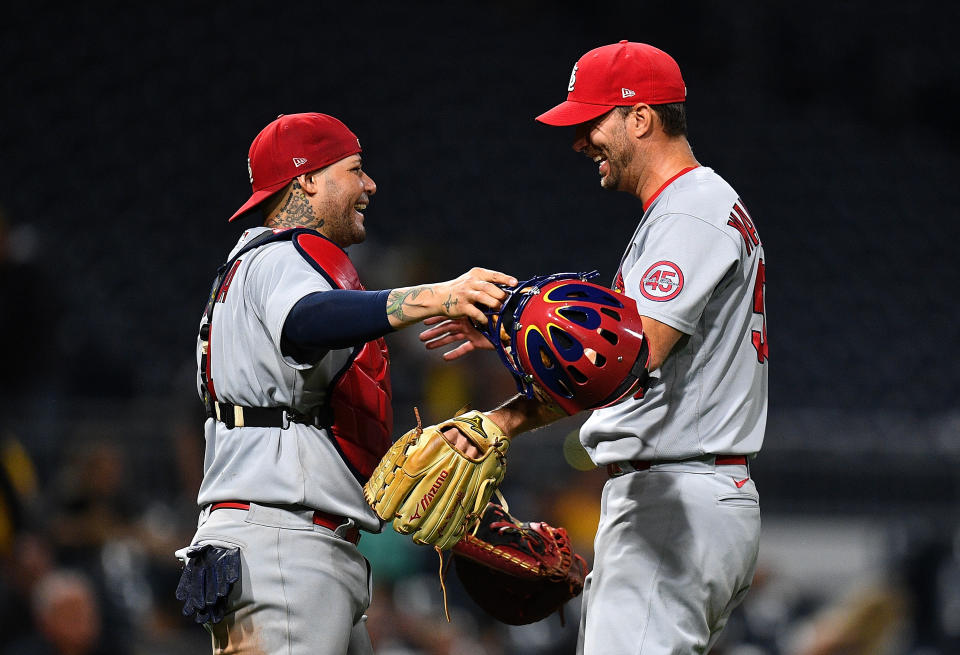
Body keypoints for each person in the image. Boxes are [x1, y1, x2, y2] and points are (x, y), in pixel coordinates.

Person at [420, 41, 768, 653]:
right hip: (682, 495)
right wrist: (506, 339)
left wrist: (503, 406)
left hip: (674, 496)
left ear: (640, 118)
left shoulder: (692, 212)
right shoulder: (690, 210)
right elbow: (612, 359)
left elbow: (627, 360)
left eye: (592, 121)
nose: (581, 140)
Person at [178, 112, 516, 655]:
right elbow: (307, 319)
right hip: (283, 543)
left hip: (287, 540)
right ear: (306, 178)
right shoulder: (280, 254)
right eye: (356, 169)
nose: (369, 184)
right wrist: (439, 295)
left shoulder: (255, 264)